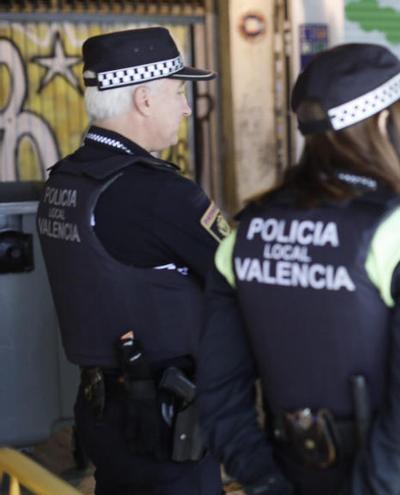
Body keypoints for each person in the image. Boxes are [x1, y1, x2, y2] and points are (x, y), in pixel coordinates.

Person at [197, 43, 400, 495]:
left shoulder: (246, 231)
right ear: (385, 121)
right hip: (394, 483)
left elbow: (219, 393)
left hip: (288, 473)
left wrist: (264, 482)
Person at [35, 27, 223, 494]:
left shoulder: (67, 180)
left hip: (103, 412)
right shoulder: (159, 195)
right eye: (178, 92)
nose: (184, 106)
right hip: (165, 422)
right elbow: (249, 274)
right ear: (143, 99)